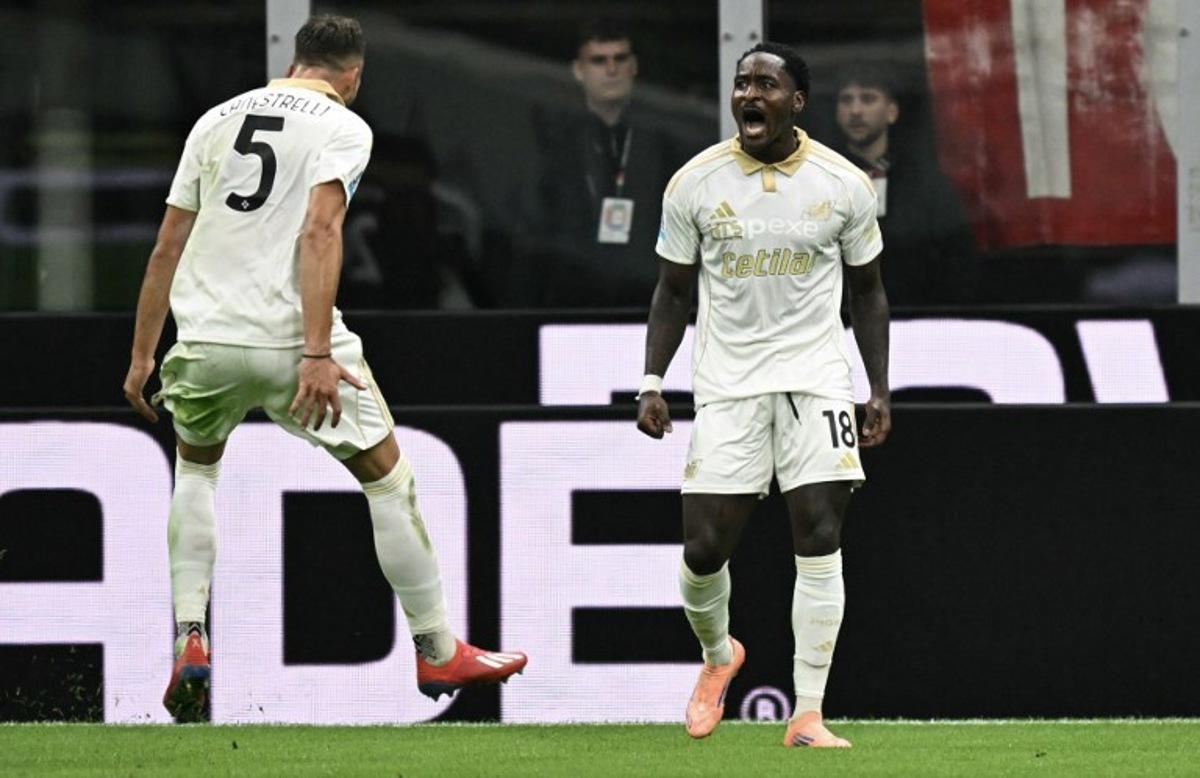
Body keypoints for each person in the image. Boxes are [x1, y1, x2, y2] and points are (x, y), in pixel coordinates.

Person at [121, 14, 526, 722]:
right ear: (353, 76)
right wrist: (314, 352)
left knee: (197, 471)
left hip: (206, 341)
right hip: (290, 342)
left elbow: (166, 246)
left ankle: (190, 636)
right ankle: (436, 647)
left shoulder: (215, 120)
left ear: (295, 60)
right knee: (389, 480)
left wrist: (141, 355)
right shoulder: (344, 127)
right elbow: (320, 229)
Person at [636, 42, 891, 748]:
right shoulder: (695, 183)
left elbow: (868, 293)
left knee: (819, 532)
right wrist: (653, 380)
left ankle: (807, 712)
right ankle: (721, 655)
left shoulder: (843, 184)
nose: (750, 94)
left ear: (795, 102)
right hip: (728, 384)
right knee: (703, 548)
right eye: (742, 83)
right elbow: (672, 291)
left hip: (816, 380)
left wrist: (878, 388)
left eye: (766, 84)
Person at [515, 20, 688, 307]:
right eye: (599, 60)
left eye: (620, 59)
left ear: (633, 67)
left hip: (646, 298)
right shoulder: (557, 144)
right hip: (572, 301)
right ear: (579, 71)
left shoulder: (662, 143)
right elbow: (538, 230)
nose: (611, 69)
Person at [833, 63, 976, 305]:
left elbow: (958, 258)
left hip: (916, 317)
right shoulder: (824, 176)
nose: (855, 110)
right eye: (846, 101)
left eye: (868, 99)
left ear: (891, 112)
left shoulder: (925, 181)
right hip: (841, 321)